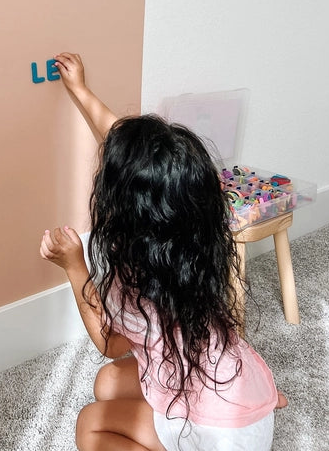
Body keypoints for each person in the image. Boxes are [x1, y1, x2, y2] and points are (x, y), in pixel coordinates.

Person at [39, 52, 287, 451]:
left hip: (212, 432)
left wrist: (73, 265)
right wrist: (81, 90)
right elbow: (133, 157)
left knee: (91, 424)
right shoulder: (198, 230)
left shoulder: (133, 284)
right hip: (248, 405)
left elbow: (108, 344)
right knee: (107, 384)